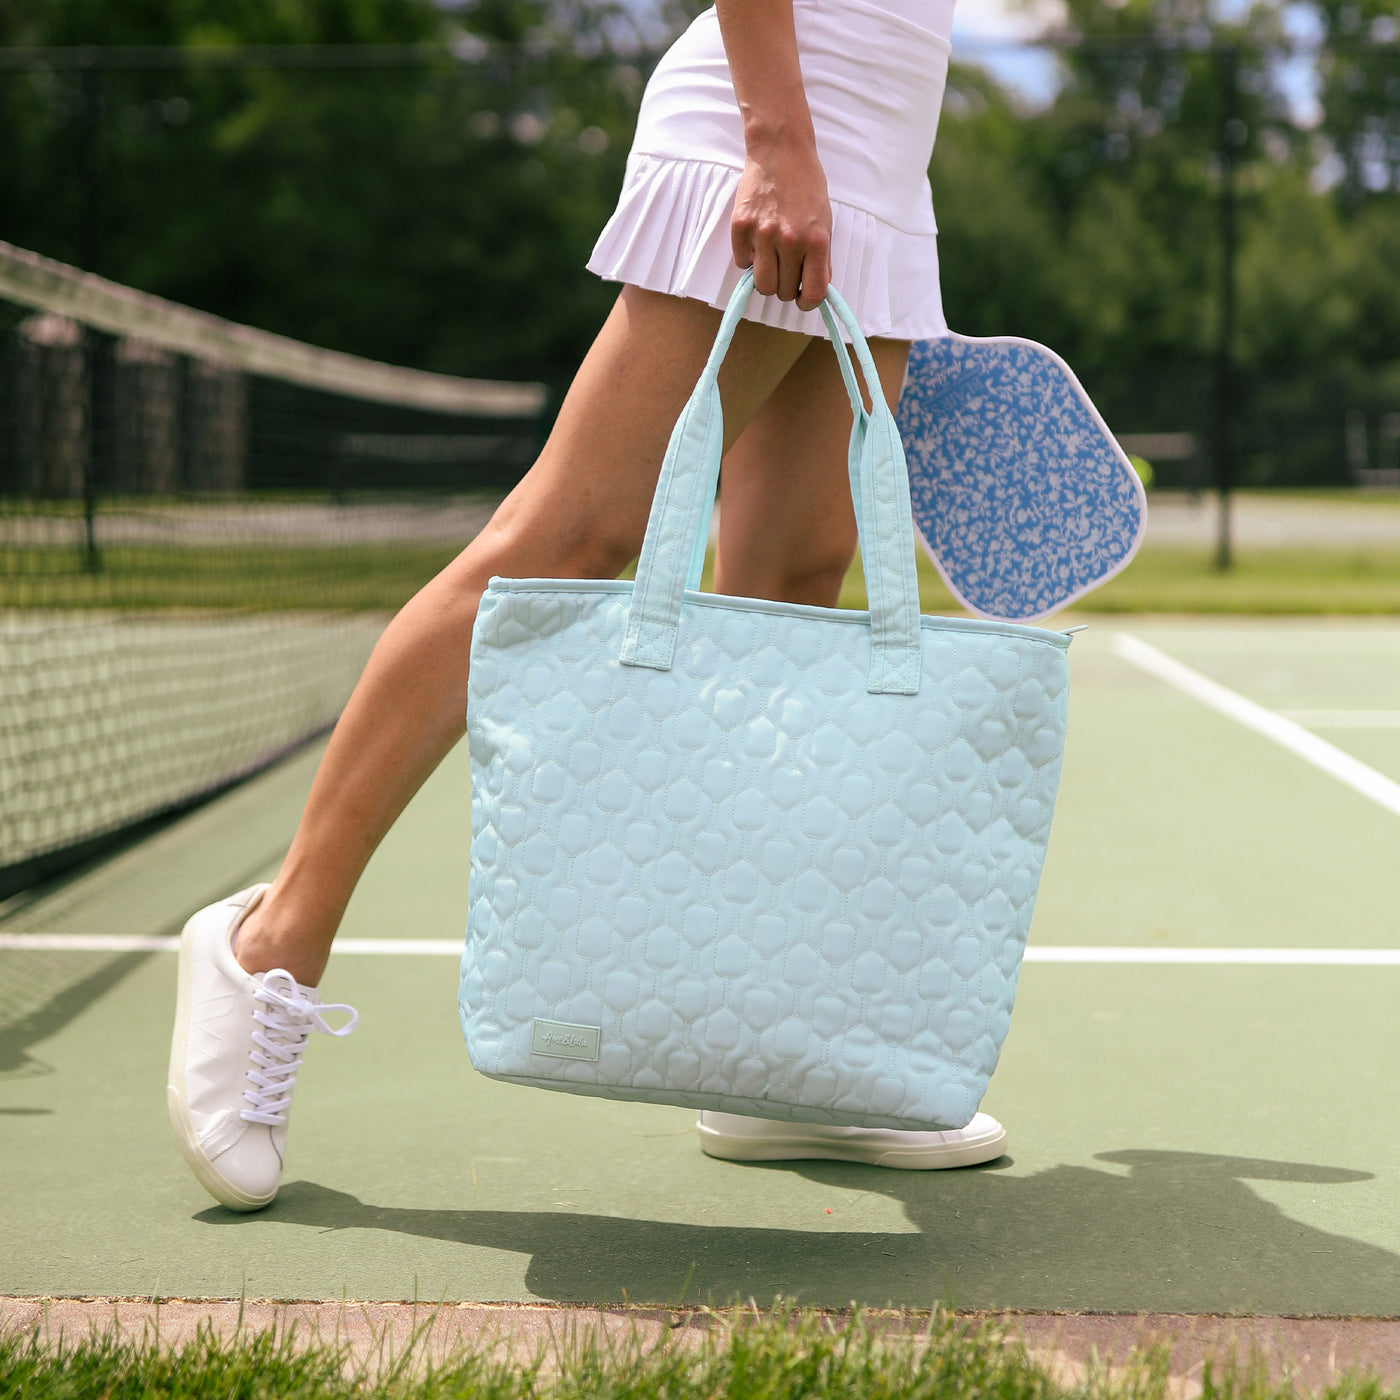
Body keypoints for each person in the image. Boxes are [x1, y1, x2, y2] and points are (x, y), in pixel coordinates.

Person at [166, 0, 1008, 1213]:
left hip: (878, 152)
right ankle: (269, 942)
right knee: (566, 540)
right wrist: (776, 136)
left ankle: (758, 1057)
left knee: (787, 585)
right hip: (772, 123)